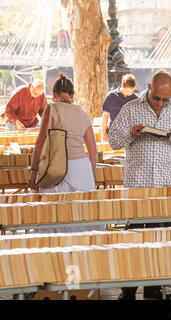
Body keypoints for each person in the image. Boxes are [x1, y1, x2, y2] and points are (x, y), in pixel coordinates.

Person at [109, 71, 171, 300]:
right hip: (138, 184)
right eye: (157, 98)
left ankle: (155, 288)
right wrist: (130, 134)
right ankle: (128, 290)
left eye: (166, 99)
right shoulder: (130, 108)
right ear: (149, 87)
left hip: (165, 185)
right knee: (134, 239)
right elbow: (113, 140)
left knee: (162, 239)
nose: (161, 103)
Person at [29, 73, 100, 233]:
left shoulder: (51, 108)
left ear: (54, 94)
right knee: (83, 215)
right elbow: (92, 149)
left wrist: (33, 171)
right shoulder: (82, 112)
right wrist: (91, 174)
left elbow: (40, 141)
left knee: (54, 214)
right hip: (82, 168)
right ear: (73, 95)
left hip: (57, 166)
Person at [101, 74, 138, 142]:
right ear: (123, 86)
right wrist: (103, 133)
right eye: (128, 91)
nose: (130, 92)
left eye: (132, 90)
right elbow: (105, 116)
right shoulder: (111, 96)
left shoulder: (135, 99)